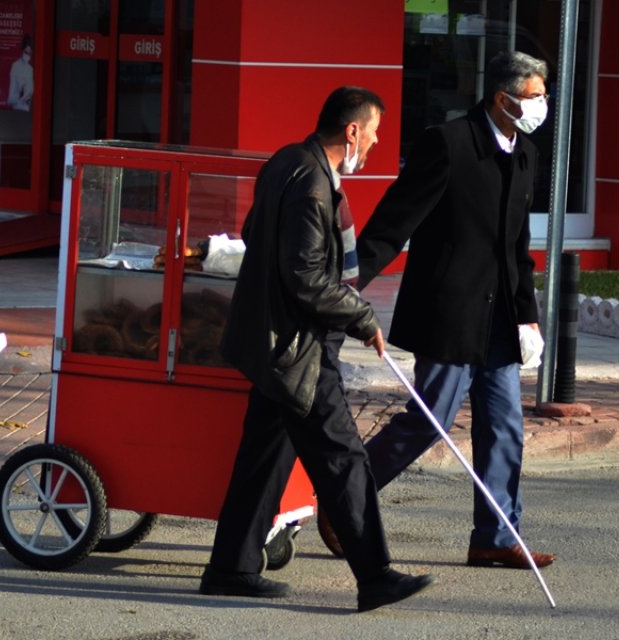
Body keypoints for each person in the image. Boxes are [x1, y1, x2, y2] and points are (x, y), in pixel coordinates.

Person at [200, 86, 435, 613]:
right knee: (344, 458)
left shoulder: (287, 160)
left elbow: (258, 237)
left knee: (264, 455)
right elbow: (304, 275)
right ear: (351, 130)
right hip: (297, 347)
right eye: (372, 133)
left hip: (275, 339)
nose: (373, 144)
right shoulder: (310, 183)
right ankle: (375, 576)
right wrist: (361, 316)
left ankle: (230, 567)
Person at [332, 51, 557, 570]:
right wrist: (346, 287)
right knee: (429, 420)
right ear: (503, 99)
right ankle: (344, 499)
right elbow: (395, 220)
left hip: (500, 318)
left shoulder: (525, 154)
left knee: (504, 427)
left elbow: (517, 246)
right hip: (450, 313)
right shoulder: (450, 143)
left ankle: (497, 538)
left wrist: (528, 316)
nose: (541, 106)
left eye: (545, 96)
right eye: (534, 97)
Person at [7, 34, 34, 111]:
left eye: (30, 53)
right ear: (22, 50)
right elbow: (10, 99)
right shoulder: (15, 66)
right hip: (18, 110)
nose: (28, 56)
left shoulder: (30, 69)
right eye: (26, 52)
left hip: (30, 110)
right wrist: (22, 98)